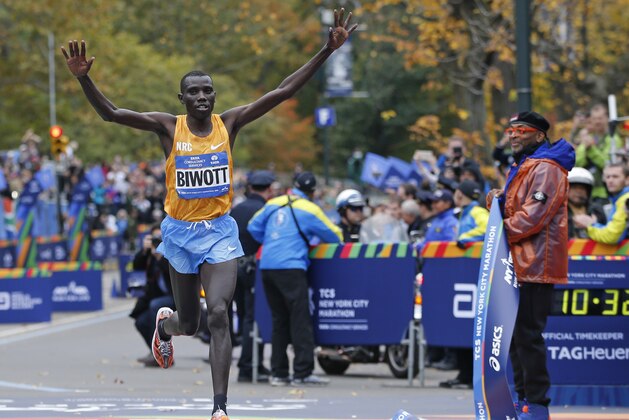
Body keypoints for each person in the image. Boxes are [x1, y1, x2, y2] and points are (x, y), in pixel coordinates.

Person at [61, 9, 356, 419]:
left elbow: (283, 91)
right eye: (194, 92)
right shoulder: (168, 128)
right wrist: (83, 79)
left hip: (219, 231)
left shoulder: (229, 123)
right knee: (191, 323)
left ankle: (219, 409)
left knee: (219, 314)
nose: (202, 97)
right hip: (179, 234)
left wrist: (325, 51)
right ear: (181, 99)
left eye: (208, 91)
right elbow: (111, 114)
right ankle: (166, 328)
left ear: (214, 96)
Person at [487, 111, 575, 420]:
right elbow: (521, 208)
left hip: (536, 265)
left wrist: (500, 229)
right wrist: (498, 199)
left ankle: (537, 406)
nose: (512, 135)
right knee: (515, 337)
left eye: (521, 130)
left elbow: (534, 217)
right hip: (518, 263)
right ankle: (523, 400)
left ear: (539, 136)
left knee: (528, 336)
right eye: (510, 130)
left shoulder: (548, 169)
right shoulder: (524, 167)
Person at [247, 171, 343, 386]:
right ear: (312, 191)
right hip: (291, 266)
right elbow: (335, 235)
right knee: (300, 319)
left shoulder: (275, 202)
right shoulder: (310, 209)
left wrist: (272, 240)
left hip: (268, 265)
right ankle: (302, 372)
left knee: (279, 320)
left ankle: (278, 373)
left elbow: (253, 226)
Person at [439, 180, 488, 389]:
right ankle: (463, 374)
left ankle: (469, 376)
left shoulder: (476, 211)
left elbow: (488, 228)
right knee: (460, 324)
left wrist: (465, 238)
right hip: (464, 271)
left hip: (473, 271)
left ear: (460, 193)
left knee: (470, 324)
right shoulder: (464, 212)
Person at [229, 170, 275, 383]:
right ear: (269, 189)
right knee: (253, 318)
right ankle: (249, 366)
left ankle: (251, 363)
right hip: (254, 270)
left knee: (245, 315)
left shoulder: (236, 209)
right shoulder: (265, 210)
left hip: (233, 268)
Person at [129, 224, 175, 368]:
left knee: (155, 307)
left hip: (175, 297)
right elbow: (137, 265)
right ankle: (155, 352)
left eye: (160, 238)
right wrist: (144, 250)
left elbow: (172, 273)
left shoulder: (173, 252)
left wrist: (161, 257)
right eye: (154, 238)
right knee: (141, 321)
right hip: (155, 298)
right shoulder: (150, 254)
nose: (157, 242)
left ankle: (164, 353)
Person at [574, 104, 624, 203]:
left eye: (600, 118)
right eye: (594, 118)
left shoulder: (613, 139)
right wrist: (586, 148)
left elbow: (607, 164)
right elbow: (577, 163)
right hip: (587, 191)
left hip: (606, 192)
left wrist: (591, 149)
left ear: (607, 118)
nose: (597, 121)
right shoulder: (588, 137)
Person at [573, 163, 629, 244]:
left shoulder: (625, 200)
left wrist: (589, 225)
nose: (610, 180)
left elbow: (611, 236)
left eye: (615, 176)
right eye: (607, 177)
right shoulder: (617, 199)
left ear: (627, 179)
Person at [566, 167, 606, 239]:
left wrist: (594, 223)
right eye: (574, 187)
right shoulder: (559, 211)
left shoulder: (597, 210)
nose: (578, 192)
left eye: (582, 188)